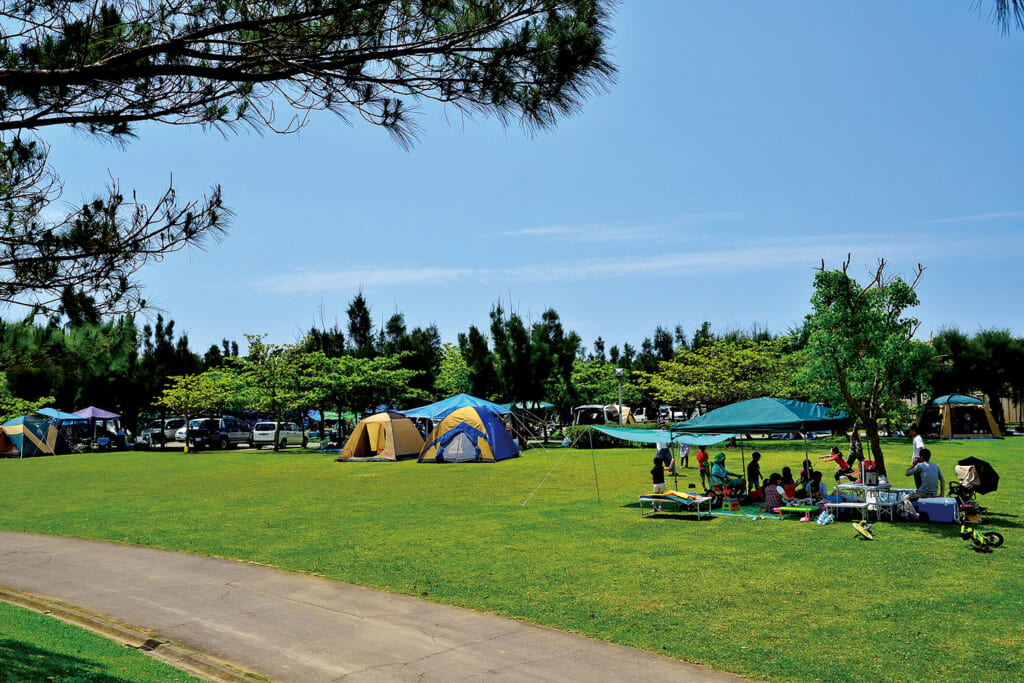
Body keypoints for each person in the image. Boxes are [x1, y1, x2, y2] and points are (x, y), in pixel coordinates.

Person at [900, 448, 945, 519]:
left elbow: (907, 473)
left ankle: (914, 514)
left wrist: (914, 464)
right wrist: (942, 494)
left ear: (921, 457)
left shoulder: (920, 466)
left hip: (923, 493)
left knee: (905, 498)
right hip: (934, 493)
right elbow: (942, 480)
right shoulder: (936, 466)